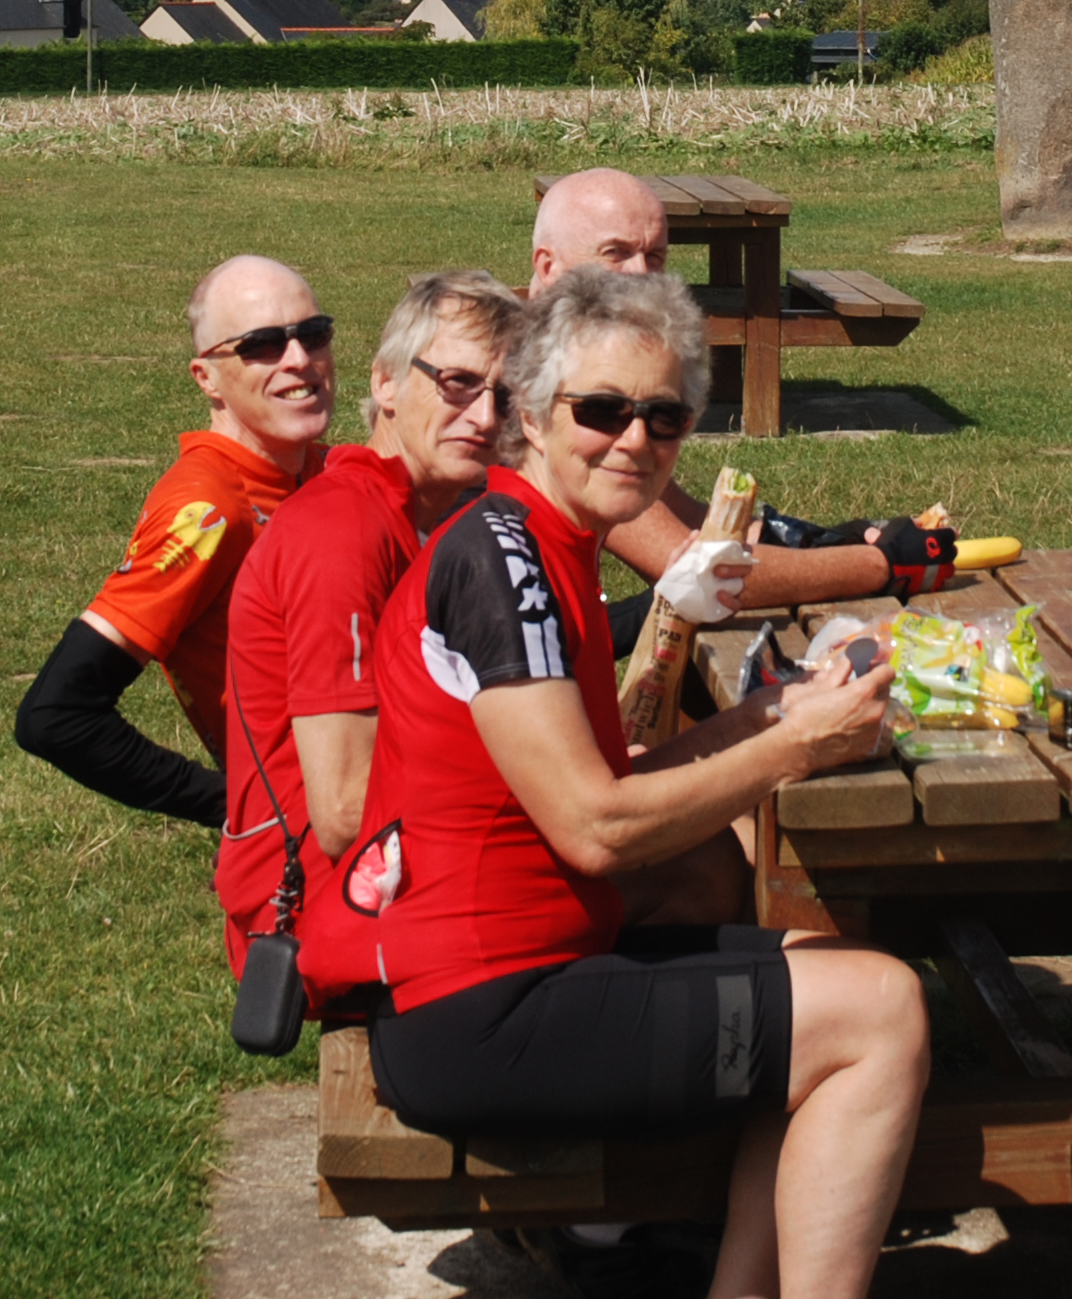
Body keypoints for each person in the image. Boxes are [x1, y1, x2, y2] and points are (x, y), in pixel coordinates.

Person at [313, 266, 929, 1299]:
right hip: (480, 1013)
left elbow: (602, 783)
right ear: (530, 418)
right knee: (879, 1013)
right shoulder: (502, 566)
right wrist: (793, 749)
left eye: (664, 417)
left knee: (838, 970)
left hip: (512, 971)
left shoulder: (534, 541)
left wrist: (761, 714)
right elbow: (595, 828)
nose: (633, 440)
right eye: (599, 410)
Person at [213, 268, 521, 984]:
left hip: (381, 878)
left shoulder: (422, 518)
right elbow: (347, 812)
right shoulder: (345, 530)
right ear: (385, 384)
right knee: (687, 872)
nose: (483, 418)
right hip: (323, 911)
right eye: (457, 384)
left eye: (507, 398)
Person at [532, 167, 965, 607]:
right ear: (548, 268)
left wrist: (827, 541)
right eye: (616, 253)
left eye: (655, 258)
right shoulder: (545, 390)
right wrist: (882, 565)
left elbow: (692, 520)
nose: (642, 278)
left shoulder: (584, 365)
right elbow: (698, 573)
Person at [12, 254, 336, 826]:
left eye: (313, 334)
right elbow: (57, 715)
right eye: (261, 344)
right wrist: (238, 807)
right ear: (205, 377)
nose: (299, 360)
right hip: (306, 847)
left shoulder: (326, 471)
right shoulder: (207, 511)